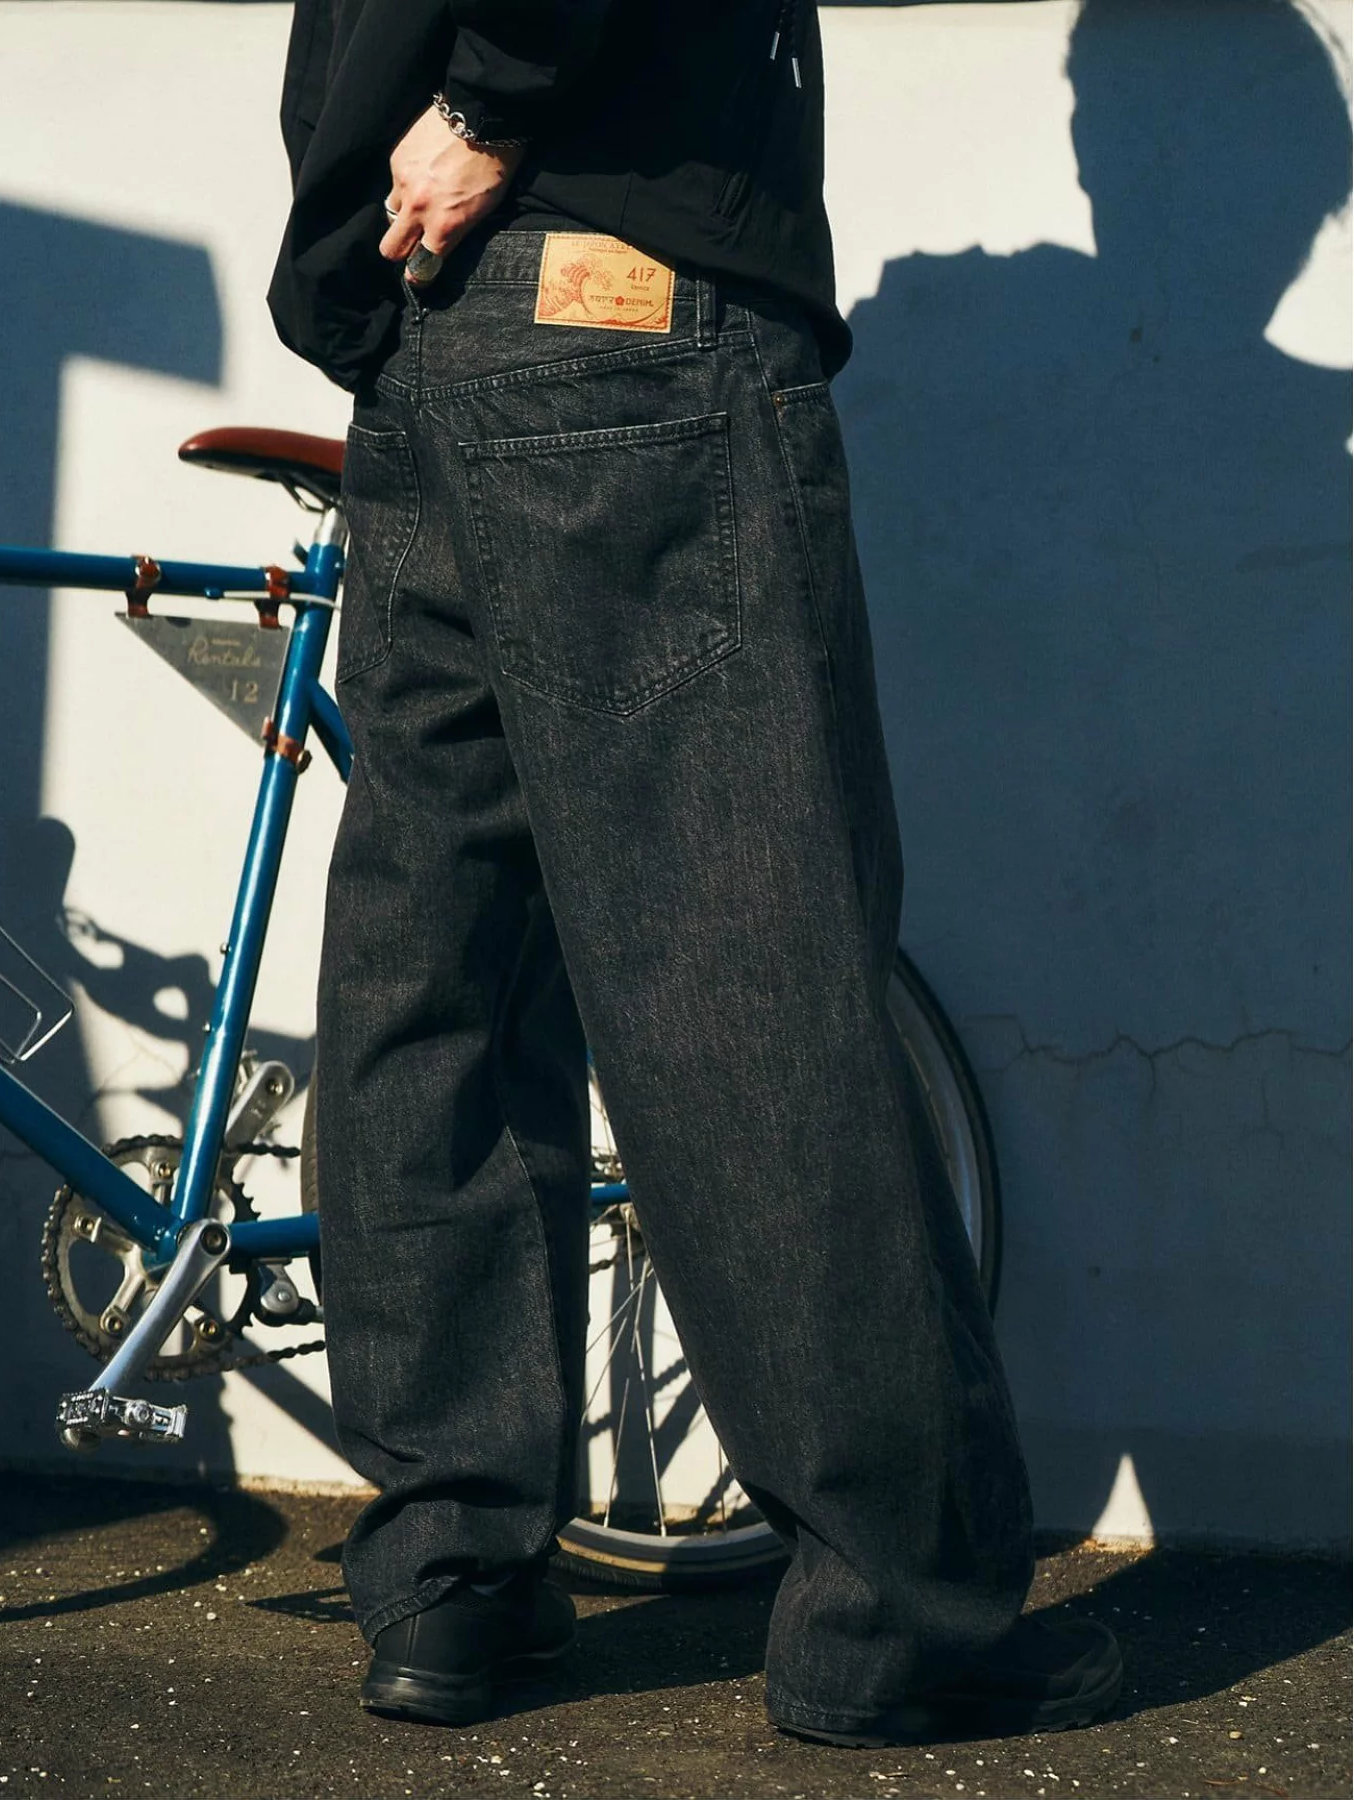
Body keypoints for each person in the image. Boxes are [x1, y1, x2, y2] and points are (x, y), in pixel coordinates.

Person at [267, 0, 1123, 1747]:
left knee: (440, 973)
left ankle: (449, 1577)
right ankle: (896, 1621)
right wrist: (496, 103)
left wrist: (389, 237)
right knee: (745, 968)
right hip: (625, 303)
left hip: (431, 338)